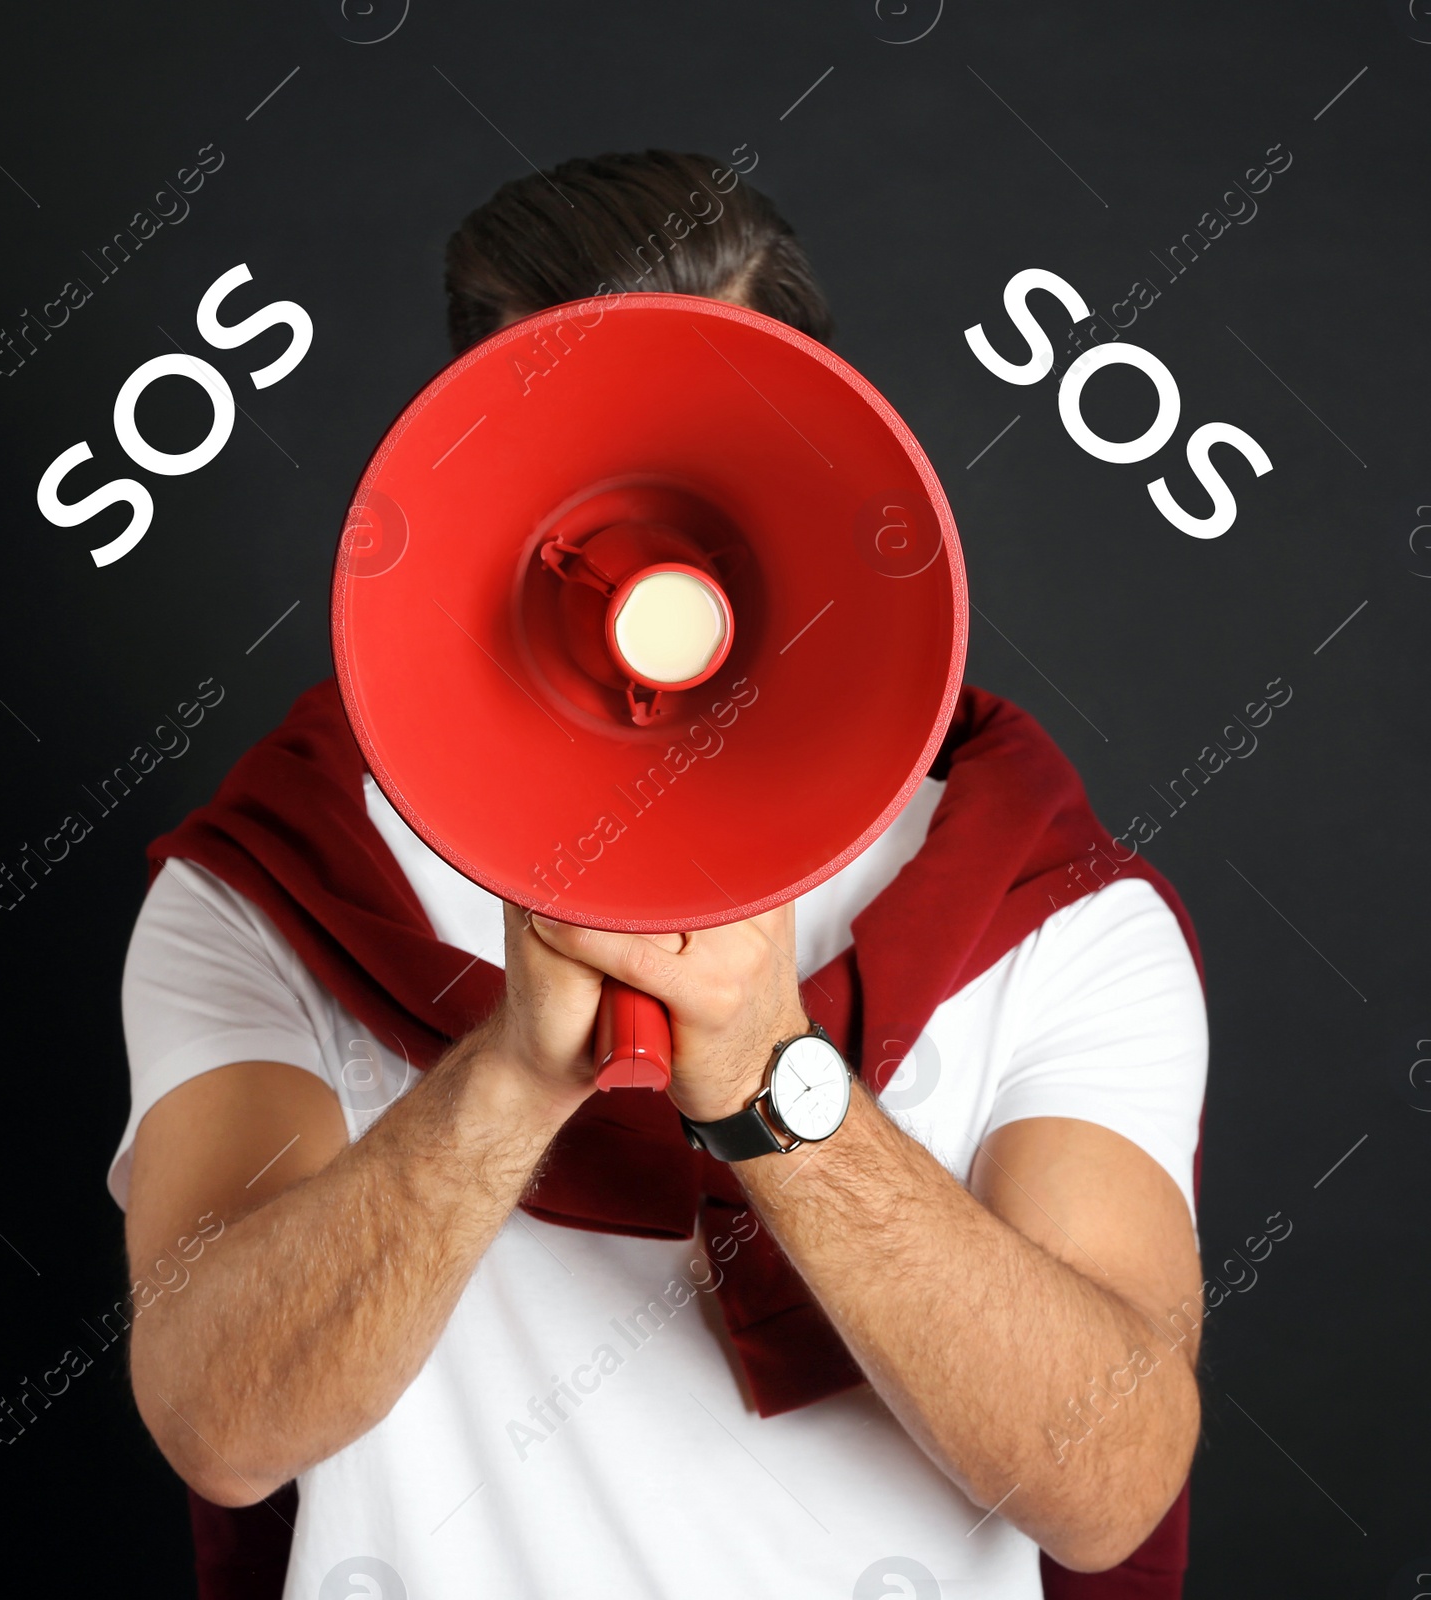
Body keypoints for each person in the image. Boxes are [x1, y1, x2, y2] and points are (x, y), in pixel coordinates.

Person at [109, 151, 1208, 1600]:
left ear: (827, 455)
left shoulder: (1050, 914)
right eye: (559, 434)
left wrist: (772, 1082)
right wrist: (509, 1074)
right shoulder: (276, 887)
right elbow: (219, 1426)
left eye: (700, 426)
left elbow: (1108, 1483)